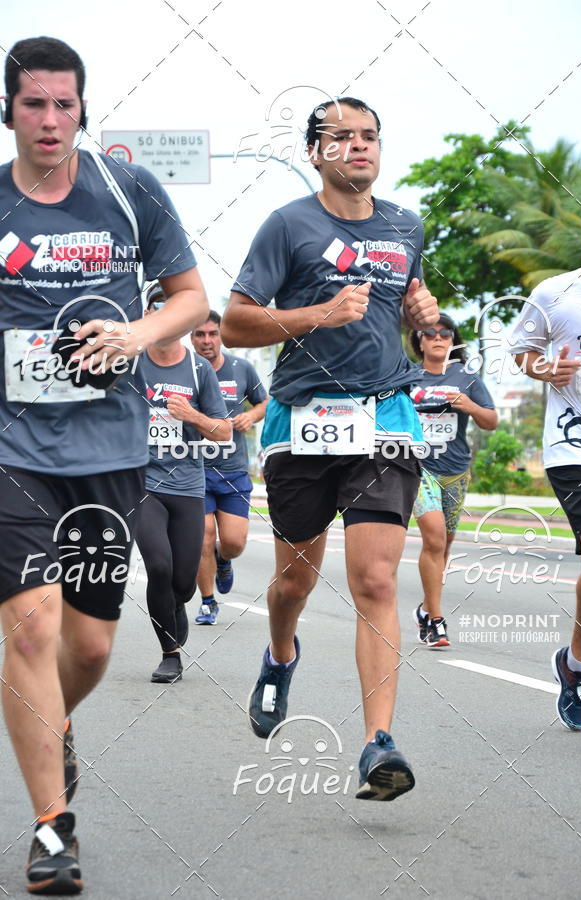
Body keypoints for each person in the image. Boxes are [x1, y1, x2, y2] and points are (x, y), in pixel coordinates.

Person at [0, 38, 207, 894]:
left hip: (110, 451)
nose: (51, 119)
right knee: (30, 628)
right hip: (12, 449)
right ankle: (53, 831)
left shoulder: (130, 190)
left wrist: (135, 334)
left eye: (65, 104)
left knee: (87, 647)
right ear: (9, 111)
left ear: (83, 108)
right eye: (34, 104)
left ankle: (52, 727)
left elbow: (190, 297)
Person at [221, 96, 438, 801]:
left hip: (386, 416)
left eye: (369, 135)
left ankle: (379, 743)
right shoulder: (288, 225)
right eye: (342, 137)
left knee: (376, 581)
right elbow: (235, 322)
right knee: (295, 582)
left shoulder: (406, 226)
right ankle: (281, 654)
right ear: (315, 153)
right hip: (304, 418)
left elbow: (406, 312)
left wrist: (422, 316)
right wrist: (319, 313)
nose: (359, 146)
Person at [510, 195, 581, 732]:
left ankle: (574, 665)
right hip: (575, 448)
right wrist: (545, 368)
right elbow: (521, 351)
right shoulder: (555, 293)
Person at [136, 287, 230, 680]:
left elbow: (223, 431)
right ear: (148, 313)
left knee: (183, 583)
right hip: (141, 485)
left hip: (188, 486)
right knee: (159, 566)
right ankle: (170, 654)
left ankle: (176, 604)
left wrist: (192, 415)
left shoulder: (198, 370)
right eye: (158, 307)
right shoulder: (131, 364)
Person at [410, 314, 497, 647]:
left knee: (443, 545)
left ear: (452, 340)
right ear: (419, 341)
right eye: (429, 333)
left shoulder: (466, 377)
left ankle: (425, 608)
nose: (437, 337)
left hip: (456, 470)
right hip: (419, 469)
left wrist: (470, 405)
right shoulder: (408, 377)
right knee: (433, 539)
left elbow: (491, 421)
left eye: (445, 333)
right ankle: (436, 621)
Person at [192, 310, 267, 624]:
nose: (207, 340)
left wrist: (251, 416)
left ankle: (223, 559)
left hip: (233, 469)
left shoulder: (241, 368)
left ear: (221, 334)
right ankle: (207, 602)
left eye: (213, 333)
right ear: (191, 337)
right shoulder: (183, 370)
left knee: (234, 542)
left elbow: (264, 401)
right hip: (195, 469)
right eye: (200, 334)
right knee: (204, 536)